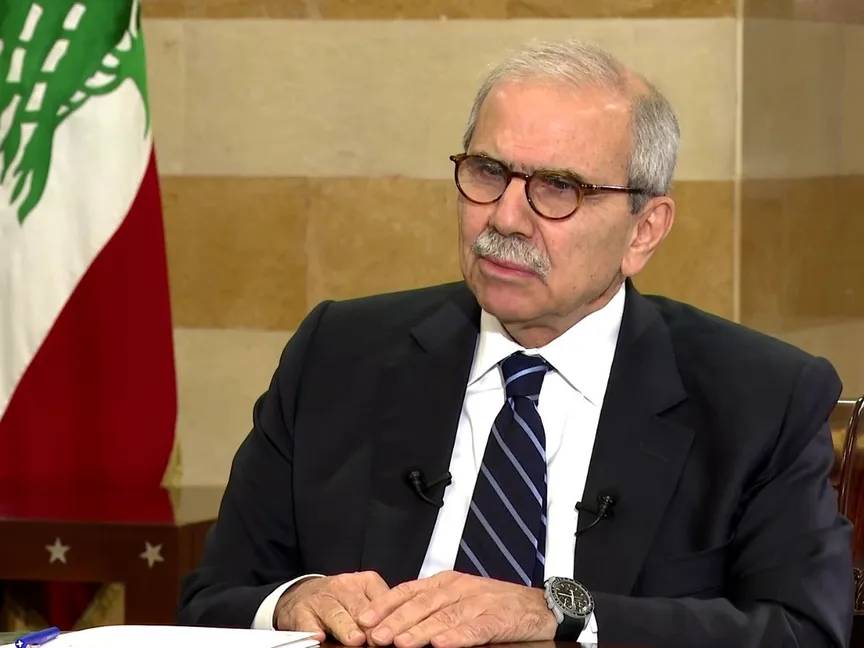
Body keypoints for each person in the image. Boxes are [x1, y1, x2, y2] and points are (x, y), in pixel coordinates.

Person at [177, 40, 852, 648]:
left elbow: (803, 630)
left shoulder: (761, 398)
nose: (504, 218)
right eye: (487, 171)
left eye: (559, 187)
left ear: (643, 229)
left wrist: (559, 614)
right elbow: (213, 600)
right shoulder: (337, 354)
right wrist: (293, 602)